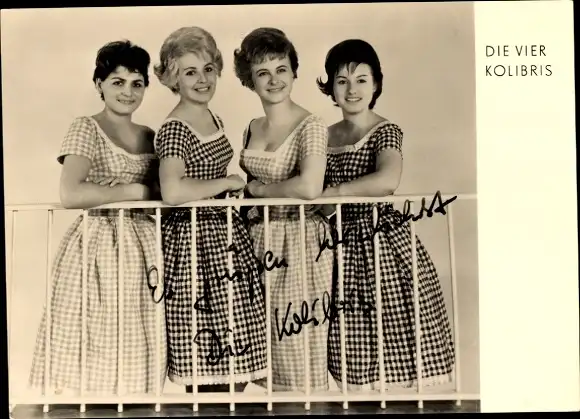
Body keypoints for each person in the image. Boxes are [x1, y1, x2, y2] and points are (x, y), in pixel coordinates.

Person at [28, 40, 167, 395]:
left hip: (144, 246)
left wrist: (142, 192)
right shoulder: (86, 127)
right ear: (99, 84)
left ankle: (132, 403)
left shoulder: (151, 137)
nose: (128, 92)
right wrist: (135, 192)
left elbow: (166, 192)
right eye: (117, 82)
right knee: (94, 325)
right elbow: (72, 193)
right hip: (98, 244)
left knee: (137, 327)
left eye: (137, 83)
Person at [316, 39, 455, 391]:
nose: (352, 89)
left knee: (394, 318)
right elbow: (315, 195)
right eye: (342, 80)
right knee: (351, 329)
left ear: (376, 84)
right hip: (340, 245)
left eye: (361, 80)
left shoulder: (385, 131)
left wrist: (334, 193)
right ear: (331, 87)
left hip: (383, 239)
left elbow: (387, 180)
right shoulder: (323, 137)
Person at [153, 26, 268, 393]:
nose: (202, 80)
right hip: (195, 243)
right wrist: (225, 183)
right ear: (173, 78)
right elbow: (173, 191)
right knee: (208, 341)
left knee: (236, 336)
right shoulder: (175, 128)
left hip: (224, 237)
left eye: (208, 69)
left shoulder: (213, 118)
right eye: (190, 72)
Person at [234, 27, 333, 392]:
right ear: (250, 80)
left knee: (295, 346)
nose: (274, 79)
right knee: (256, 340)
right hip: (257, 241)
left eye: (281, 69)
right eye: (263, 72)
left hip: (299, 242)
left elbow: (309, 187)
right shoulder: (251, 127)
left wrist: (260, 190)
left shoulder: (312, 125)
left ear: (294, 71)